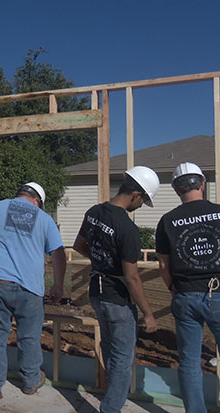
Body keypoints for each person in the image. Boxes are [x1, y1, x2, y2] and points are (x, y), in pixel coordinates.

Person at [155, 162, 220, 413]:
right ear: (202, 184)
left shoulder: (167, 221)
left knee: (188, 361)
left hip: (185, 295)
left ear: (177, 189)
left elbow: (164, 266)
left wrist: (175, 290)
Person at [0, 182, 66, 400]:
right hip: (30, 288)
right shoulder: (45, 219)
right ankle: (30, 381)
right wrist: (58, 286)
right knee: (29, 337)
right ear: (37, 200)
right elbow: (58, 253)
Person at [72, 166, 159, 413]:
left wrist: (103, 263)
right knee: (122, 359)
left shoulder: (94, 212)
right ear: (136, 194)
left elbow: (79, 246)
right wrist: (148, 314)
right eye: (143, 201)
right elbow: (132, 278)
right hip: (118, 299)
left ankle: (111, 394)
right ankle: (111, 408)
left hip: (96, 293)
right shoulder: (127, 229)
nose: (141, 206)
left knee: (110, 347)